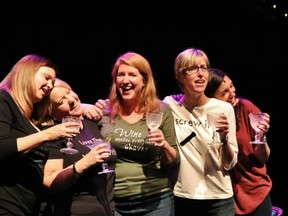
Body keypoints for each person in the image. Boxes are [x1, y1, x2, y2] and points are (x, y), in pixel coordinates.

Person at [84, 51, 180, 215]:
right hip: (114, 201)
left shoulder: (161, 110)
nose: (125, 80)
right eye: (121, 75)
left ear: (144, 80)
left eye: (132, 74)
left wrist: (163, 145)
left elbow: (173, 161)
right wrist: (84, 107)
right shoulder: (105, 111)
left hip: (155, 200)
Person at [162, 48, 239, 216]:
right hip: (184, 196)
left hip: (219, 198)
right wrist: (96, 106)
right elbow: (140, 103)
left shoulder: (223, 108)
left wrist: (224, 139)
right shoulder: (170, 105)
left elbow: (230, 164)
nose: (200, 74)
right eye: (192, 69)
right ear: (179, 75)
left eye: (204, 68)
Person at [0, 54, 79, 216]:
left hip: (27, 207)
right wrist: (47, 135)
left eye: (53, 81)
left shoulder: (28, 116)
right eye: (46, 77)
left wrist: (83, 107)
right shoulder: (3, 100)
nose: (50, 85)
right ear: (26, 72)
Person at [34, 78, 117, 216]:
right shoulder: (53, 135)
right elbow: (49, 181)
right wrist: (85, 163)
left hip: (106, 209)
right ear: (51, 112)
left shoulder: (91, 124)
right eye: (61, 102)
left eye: (69, 92)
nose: (71, 100)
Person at [205, 68, 272, 216]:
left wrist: (261, 137)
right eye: (224, 93)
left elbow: (263, 158)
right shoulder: (207, 117)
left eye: (232, 86)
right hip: (224, 195)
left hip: (254, 190)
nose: (232, 93)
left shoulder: (246, 108)